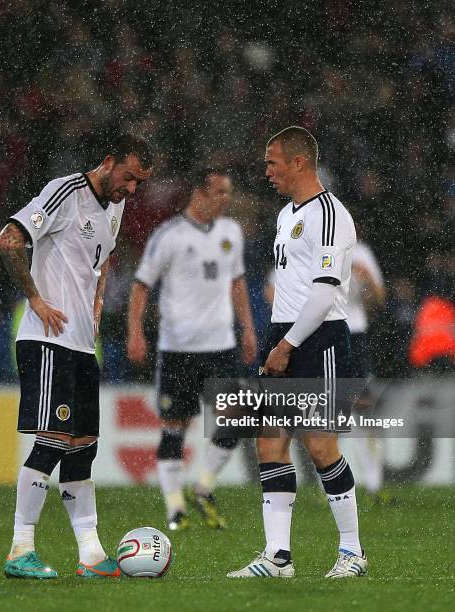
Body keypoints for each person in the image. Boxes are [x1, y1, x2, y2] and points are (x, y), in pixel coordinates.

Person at [0, 133, 153, 579]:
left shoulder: (116, 208)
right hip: (47, 341)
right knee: (52, 442)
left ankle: (91, 554)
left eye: (140, 183)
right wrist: (36, 299)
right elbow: (9, 240)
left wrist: (98, 309)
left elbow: (101, 266)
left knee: (83, 448)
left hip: (82, 345)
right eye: (129, 178)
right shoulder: (65, 191)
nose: (132, 190)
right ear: (108, 162)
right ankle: (19, 549)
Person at [228, 126, 367, 579]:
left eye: (272, 162)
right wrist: (277, 341)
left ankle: (352, 553)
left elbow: (326, 293)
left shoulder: (330, 215)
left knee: (321, 446)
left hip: (320, 338)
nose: (266, 171)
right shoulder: (287, 214)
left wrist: (287, 346)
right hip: (282, 335)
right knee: (269, 442)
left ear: (299, 162)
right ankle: (277, 557)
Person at [127, 167, 257, 531]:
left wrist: (247, 329)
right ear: (199, 193)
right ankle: (174, 510)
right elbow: (141, 286)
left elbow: (237, 282)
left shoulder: (231, 232)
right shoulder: (168, 236)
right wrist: (135, 331)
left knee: (238, 417)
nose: (226, 199)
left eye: (229, 192)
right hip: (178, 349)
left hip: (221, 346)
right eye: (220, 191)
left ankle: (203, 486)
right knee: (174, 428)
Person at [346, 238, 388, 502]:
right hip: (322, 333)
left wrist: (367, 281)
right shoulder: (312, 248)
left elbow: (378, 300)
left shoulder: (360, 253)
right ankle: (327, 485)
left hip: (354, 334)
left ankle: (374, 485)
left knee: (363, 410)